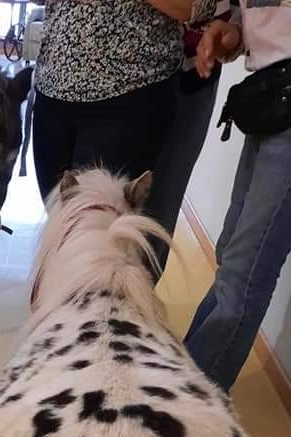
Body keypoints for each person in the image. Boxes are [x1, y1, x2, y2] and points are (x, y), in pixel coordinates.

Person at [185, 1, 291, 391]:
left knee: (245, 272)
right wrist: (233, 32)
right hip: (272, 93)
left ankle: (191, 403)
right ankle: (189, 387)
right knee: (232, 253)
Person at [32, 1, 219, 201]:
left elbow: (197, 7)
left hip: (127, 94)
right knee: (59, 220)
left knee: (100, 223)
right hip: (52, 90)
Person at [148, 1, 232, 273]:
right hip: (124, 74)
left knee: (162, 204)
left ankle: (135, 300)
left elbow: (206, 8)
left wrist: (233, 30)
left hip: (193, 74)